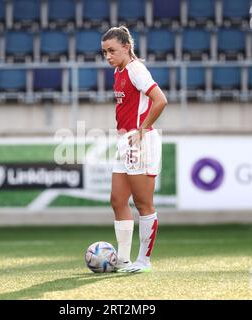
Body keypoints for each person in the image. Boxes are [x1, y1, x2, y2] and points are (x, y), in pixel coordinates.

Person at [101, 26, 167, 273]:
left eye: (112, 50)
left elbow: (160, 100)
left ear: (127, 47)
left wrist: (142, 130)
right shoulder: (119, 70)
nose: (108, 56)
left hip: (140, 140)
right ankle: (124, 260)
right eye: (105, 52)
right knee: (117, 200)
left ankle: (143, 261)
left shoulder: (136, 69)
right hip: (125, 140)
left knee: (143, 203)